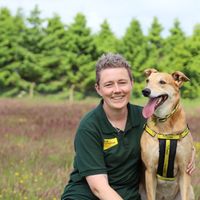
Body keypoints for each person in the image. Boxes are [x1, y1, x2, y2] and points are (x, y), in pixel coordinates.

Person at [61, 53, 195, 200]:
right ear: (98, 89)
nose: (117, 90)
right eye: (108, 84)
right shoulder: (89, 126)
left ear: (132, 83)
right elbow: (98, 188)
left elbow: (174, 134)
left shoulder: (147, 118)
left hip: (128, 194)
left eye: (122, 82)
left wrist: (190, 151)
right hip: (87, 195)